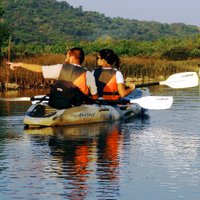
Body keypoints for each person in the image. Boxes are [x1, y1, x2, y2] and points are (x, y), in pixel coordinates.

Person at [7, 47, 98, 108]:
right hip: (78, 106)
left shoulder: (60, 68)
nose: (65, 59)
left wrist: (20, 64)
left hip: (60, 104)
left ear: (72, 57)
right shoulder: (88, 73)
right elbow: (94, 95)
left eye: (67, 56)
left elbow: (39, 69)